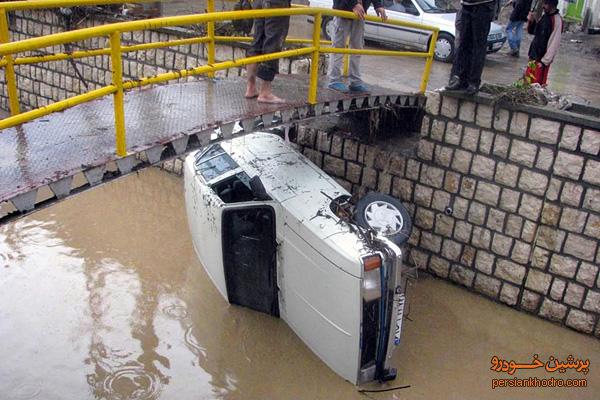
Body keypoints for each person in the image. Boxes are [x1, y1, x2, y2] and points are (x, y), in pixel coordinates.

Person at [328, 0, 387, 93]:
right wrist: (353, 4)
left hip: (360, 14)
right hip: (343, 11)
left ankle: (355, 81)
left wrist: (378, 5)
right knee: (338, 48)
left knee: (357, 49)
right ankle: (334, 80)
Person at [445, 0, 500, 95]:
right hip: (466, 5)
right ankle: (460, 80)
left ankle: (473, 82)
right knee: (463, 44)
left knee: (478, 46)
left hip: (483, 6)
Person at [245, 0, 291, 103]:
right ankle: (265, 92)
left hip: (259, 2)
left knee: (257, 40)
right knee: (273, 43)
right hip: (276, 4)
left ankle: (250, 87)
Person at [524, 0, 562, 86]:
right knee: (527, 83)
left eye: (545, 4)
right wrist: (531, 21)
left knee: (536, 86)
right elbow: (533, 32)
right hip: (533, 56)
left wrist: (544, 61)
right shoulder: (545, 16)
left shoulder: (557, 20)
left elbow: (554, 43)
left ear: (552, 5)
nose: (543, 6)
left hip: (541, 61)